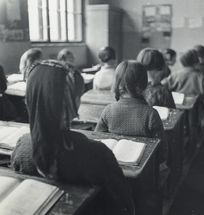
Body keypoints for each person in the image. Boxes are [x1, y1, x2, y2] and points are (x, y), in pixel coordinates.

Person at [11, 60, 134, 215]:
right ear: (70, 104)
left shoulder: (22, 145)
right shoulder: (97, 153)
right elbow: (123, 201)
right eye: (78, 96)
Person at [95, 60, 167, 215]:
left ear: (116, 84)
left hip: (113, 174)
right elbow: (162, 154)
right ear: (144, 84)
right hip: (144, 179)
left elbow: (97, 141)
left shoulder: (108, 110)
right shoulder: (151, 114)